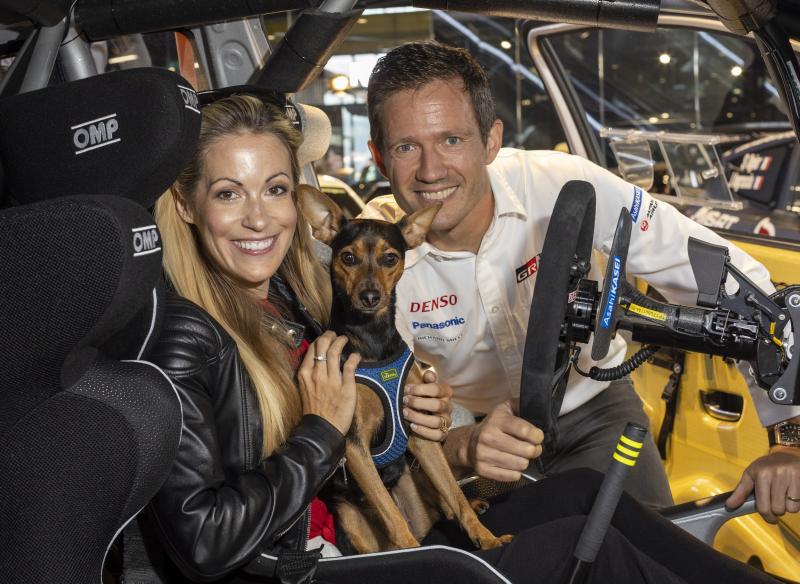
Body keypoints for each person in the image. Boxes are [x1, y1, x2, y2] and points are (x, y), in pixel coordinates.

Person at [144, 93, 780, 584]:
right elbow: (206, 539)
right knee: (588, 549)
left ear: (491, 140)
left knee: (590, 496)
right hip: (326, 557)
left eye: (276, 189)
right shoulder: (192, 336)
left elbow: (727, 277)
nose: (259, 216)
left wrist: (417, 418)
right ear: (188, 203)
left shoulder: (297, 296)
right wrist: (328, 433)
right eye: (228, 193)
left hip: (549, 428)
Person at [360, 41, 800, 517]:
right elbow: (373, 424)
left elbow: (740, 287)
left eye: (452, 140)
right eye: (406, 147)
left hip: (596, 411)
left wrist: (790, 437)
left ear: (490, 141)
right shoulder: (363, 260)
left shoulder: (562, 183)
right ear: (380, 158)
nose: (430, 171)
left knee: (648, 549)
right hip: (474, 441)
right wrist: (463, 444)